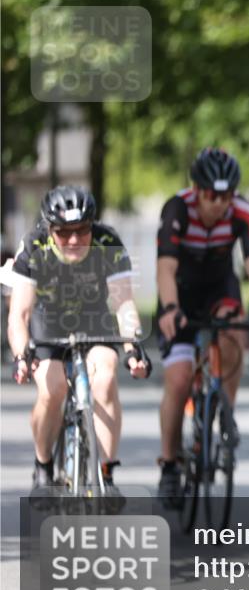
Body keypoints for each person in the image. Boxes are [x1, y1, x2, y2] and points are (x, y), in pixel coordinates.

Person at [155, 148, 249, 506]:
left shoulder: (244, 212)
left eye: (226, 195)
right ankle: (168, 464)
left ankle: (225, 409)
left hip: (218, 287)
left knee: (233, 332)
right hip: (179, 291)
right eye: (212, 194)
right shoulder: (177, 209)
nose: (218, 203)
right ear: (197, 189)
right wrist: (168, 309)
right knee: (179, 379)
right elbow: (165, 266)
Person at [7, 186, 150, 496]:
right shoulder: (35, 245)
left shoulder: (107, 242)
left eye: (82, 231)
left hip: (92, 316)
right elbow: (19, 313)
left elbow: (124, 302)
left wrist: (132, 348)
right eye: (64, 232)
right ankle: (44, 465)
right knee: (53, 387)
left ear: (92, 225)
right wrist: (21, 355)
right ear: (50, 229)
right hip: (48, 319)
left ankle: (106, 474)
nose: (74, 240)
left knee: (107, 374)